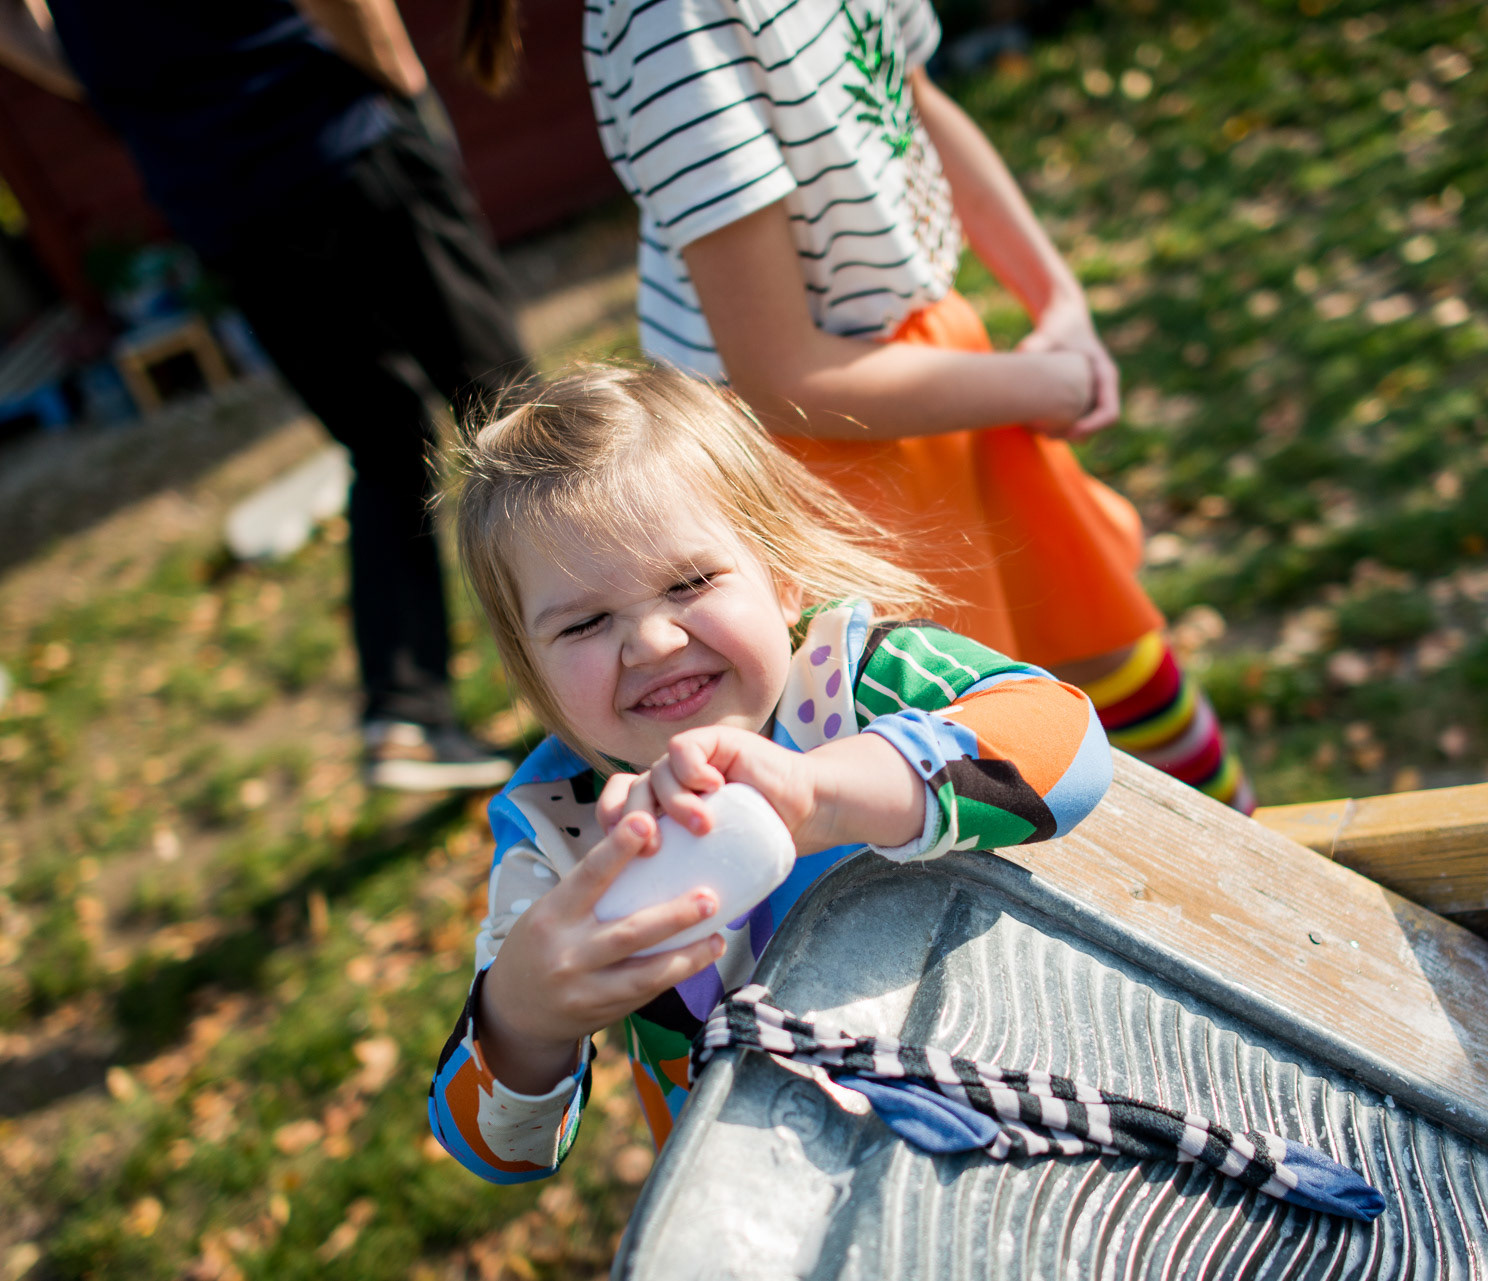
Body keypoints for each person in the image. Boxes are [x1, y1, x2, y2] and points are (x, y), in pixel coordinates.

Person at [459, 0, 1254, 812]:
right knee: (950, 739)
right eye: (582, 626)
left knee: (1102, 648)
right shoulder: (672, 22)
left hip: (940, 382)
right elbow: (785, 375)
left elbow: (914, 102)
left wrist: (1060, 302)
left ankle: (1261, 852)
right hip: (834, 447)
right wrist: (1052, 384)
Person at [426, 362, 1112, 1177]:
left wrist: (827, 794)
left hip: (1011, 1109)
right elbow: (497, 1153)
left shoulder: (857, 681)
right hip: (759, 1195)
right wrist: (524, 1016)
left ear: (781, 578)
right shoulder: (562, 827)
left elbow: (1069, 741)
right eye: (583, 624)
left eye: (690, 581)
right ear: (533, 677)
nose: (652, 642)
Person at [0, 0, 527, 789]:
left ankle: (408, 712)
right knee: (515, 417)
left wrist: (113, 78)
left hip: (224, 207)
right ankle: (617, 656)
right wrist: (401, 81)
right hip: (344, 142)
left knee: (384, 445)